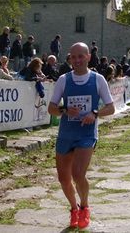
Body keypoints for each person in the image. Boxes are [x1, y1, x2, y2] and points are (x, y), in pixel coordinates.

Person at [48, 42, 115, 229]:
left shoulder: (98, 79)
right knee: (63, 179)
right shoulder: (63, 79)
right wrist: (64, 110)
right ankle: (73, 209)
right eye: (73, 57)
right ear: (70, 58)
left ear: (88, 57)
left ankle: (85, 206)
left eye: (80, 56)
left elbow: (111, 108)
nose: (77, 60)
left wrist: (94, 114)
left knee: (78, 174)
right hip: (66, 134)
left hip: (86, 134)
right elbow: (51, 108)